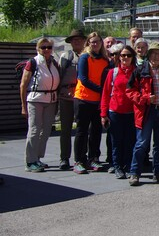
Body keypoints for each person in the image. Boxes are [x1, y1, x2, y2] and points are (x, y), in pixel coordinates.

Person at [127, 42, 159, 186]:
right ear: (149, 55)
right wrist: (144, 99)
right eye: (154, 53)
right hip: (147, 112)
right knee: (141, 144)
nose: (156, 56)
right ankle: (135, 173)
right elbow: (130, 91)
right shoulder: (140, 70)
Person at [20, 38, 60, 172]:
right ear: (38, 49)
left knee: (46, 130)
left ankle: (37, 158)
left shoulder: (54, 62)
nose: (46, 50)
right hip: (35, 98)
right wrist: (23, 106)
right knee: (34, 130)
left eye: (49, 47)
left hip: (51, 99)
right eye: (43, 47)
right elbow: (23, 85)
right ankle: (30, 161)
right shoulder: (33, 62)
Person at [73, 32, 110, 174]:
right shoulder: (84, 58)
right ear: (88, 43)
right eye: (92, 42)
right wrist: (101, 90)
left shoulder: (104, 60)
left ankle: (93, 158)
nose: (95, 44)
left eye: (97, 42)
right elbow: (83, 78)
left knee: (96, 130)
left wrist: (103, 93)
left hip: (98, 101)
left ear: (101, 43)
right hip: (83, 99)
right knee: (82, 131)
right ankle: (79, 160)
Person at [100, 45, 137, 179]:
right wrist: (103, 114)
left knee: (129, 141)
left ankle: (128, 166)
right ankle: (117, 166)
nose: (125, 58)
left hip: (131, 112)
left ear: (133, 58)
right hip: (115, 111)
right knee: (116, 142)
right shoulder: (113, 72)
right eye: (123, 55)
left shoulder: (136, 72)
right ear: (118, 57)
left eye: (128, 55)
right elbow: (105, 94)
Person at [58, 29, 86, 170]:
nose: (77, 41)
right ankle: (64, 158)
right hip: (67, 97)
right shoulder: (65, 56)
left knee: (82, 129)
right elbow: (59, 76)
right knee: (66, 129)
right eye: (74, 39)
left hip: (82, 97)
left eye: (79, 39)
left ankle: (81, 157)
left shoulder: (88, 56)